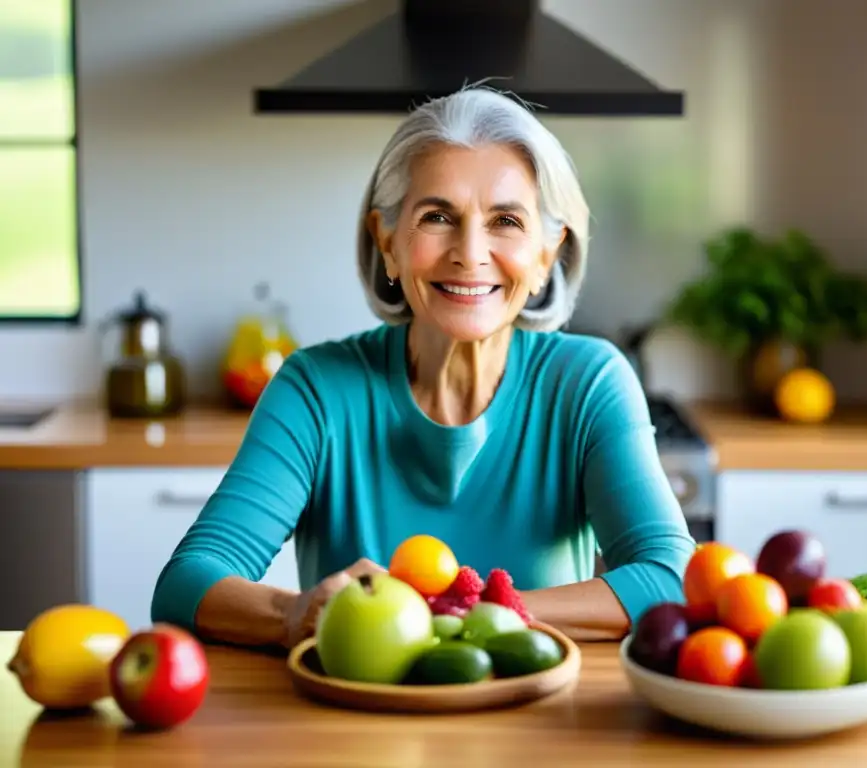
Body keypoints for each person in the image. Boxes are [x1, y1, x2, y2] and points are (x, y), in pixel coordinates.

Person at [151, 87, 695, 649]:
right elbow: (187, 584)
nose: (470, 251)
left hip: (539, 719)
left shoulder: (588, 382)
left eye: (505, 220)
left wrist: (470, 614)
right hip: (354, 723)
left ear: (546, 254)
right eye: (438, 216)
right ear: (386, 242)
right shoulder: (314, 389)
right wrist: (295, 614)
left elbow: (671, 577)